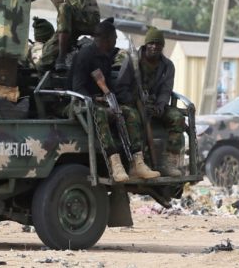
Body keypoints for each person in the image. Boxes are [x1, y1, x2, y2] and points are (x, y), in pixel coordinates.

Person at [71, 18, 160, 182]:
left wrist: (115, 99)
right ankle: (115, 165)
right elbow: (78, 88)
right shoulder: (84, 55)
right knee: (100, 114)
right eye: (114, 39)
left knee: (130, 113)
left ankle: (137, 163)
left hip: (103, 101)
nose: (115, 43)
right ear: (106, 39)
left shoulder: (105, 56)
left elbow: (109, 84)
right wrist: (96, 99)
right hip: (81, 103)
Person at [137, 26, 186, 177]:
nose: (154, 47)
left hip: (156, 104)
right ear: (146, 44)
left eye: (158, 44)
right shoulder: (134, 61)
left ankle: (169, 162)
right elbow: (123, 86)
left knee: (178, 118)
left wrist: (160, 105)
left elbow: (166, 89)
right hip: (136, 103)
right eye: (151, 43)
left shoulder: (167, 66)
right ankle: (137, 162)